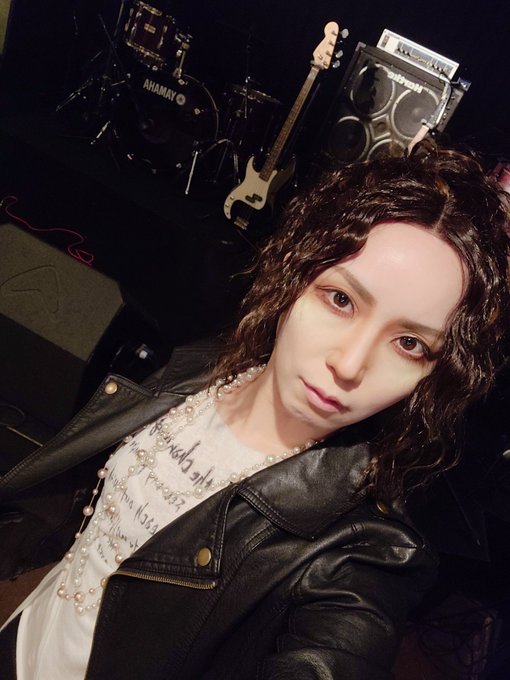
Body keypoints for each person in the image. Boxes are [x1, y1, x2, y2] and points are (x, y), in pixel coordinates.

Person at [0, 143, 508, 679]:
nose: (348, 365)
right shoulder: (205, 368)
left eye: (409, 344)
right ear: (296, 275)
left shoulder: (364, 555)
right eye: (341, 300)